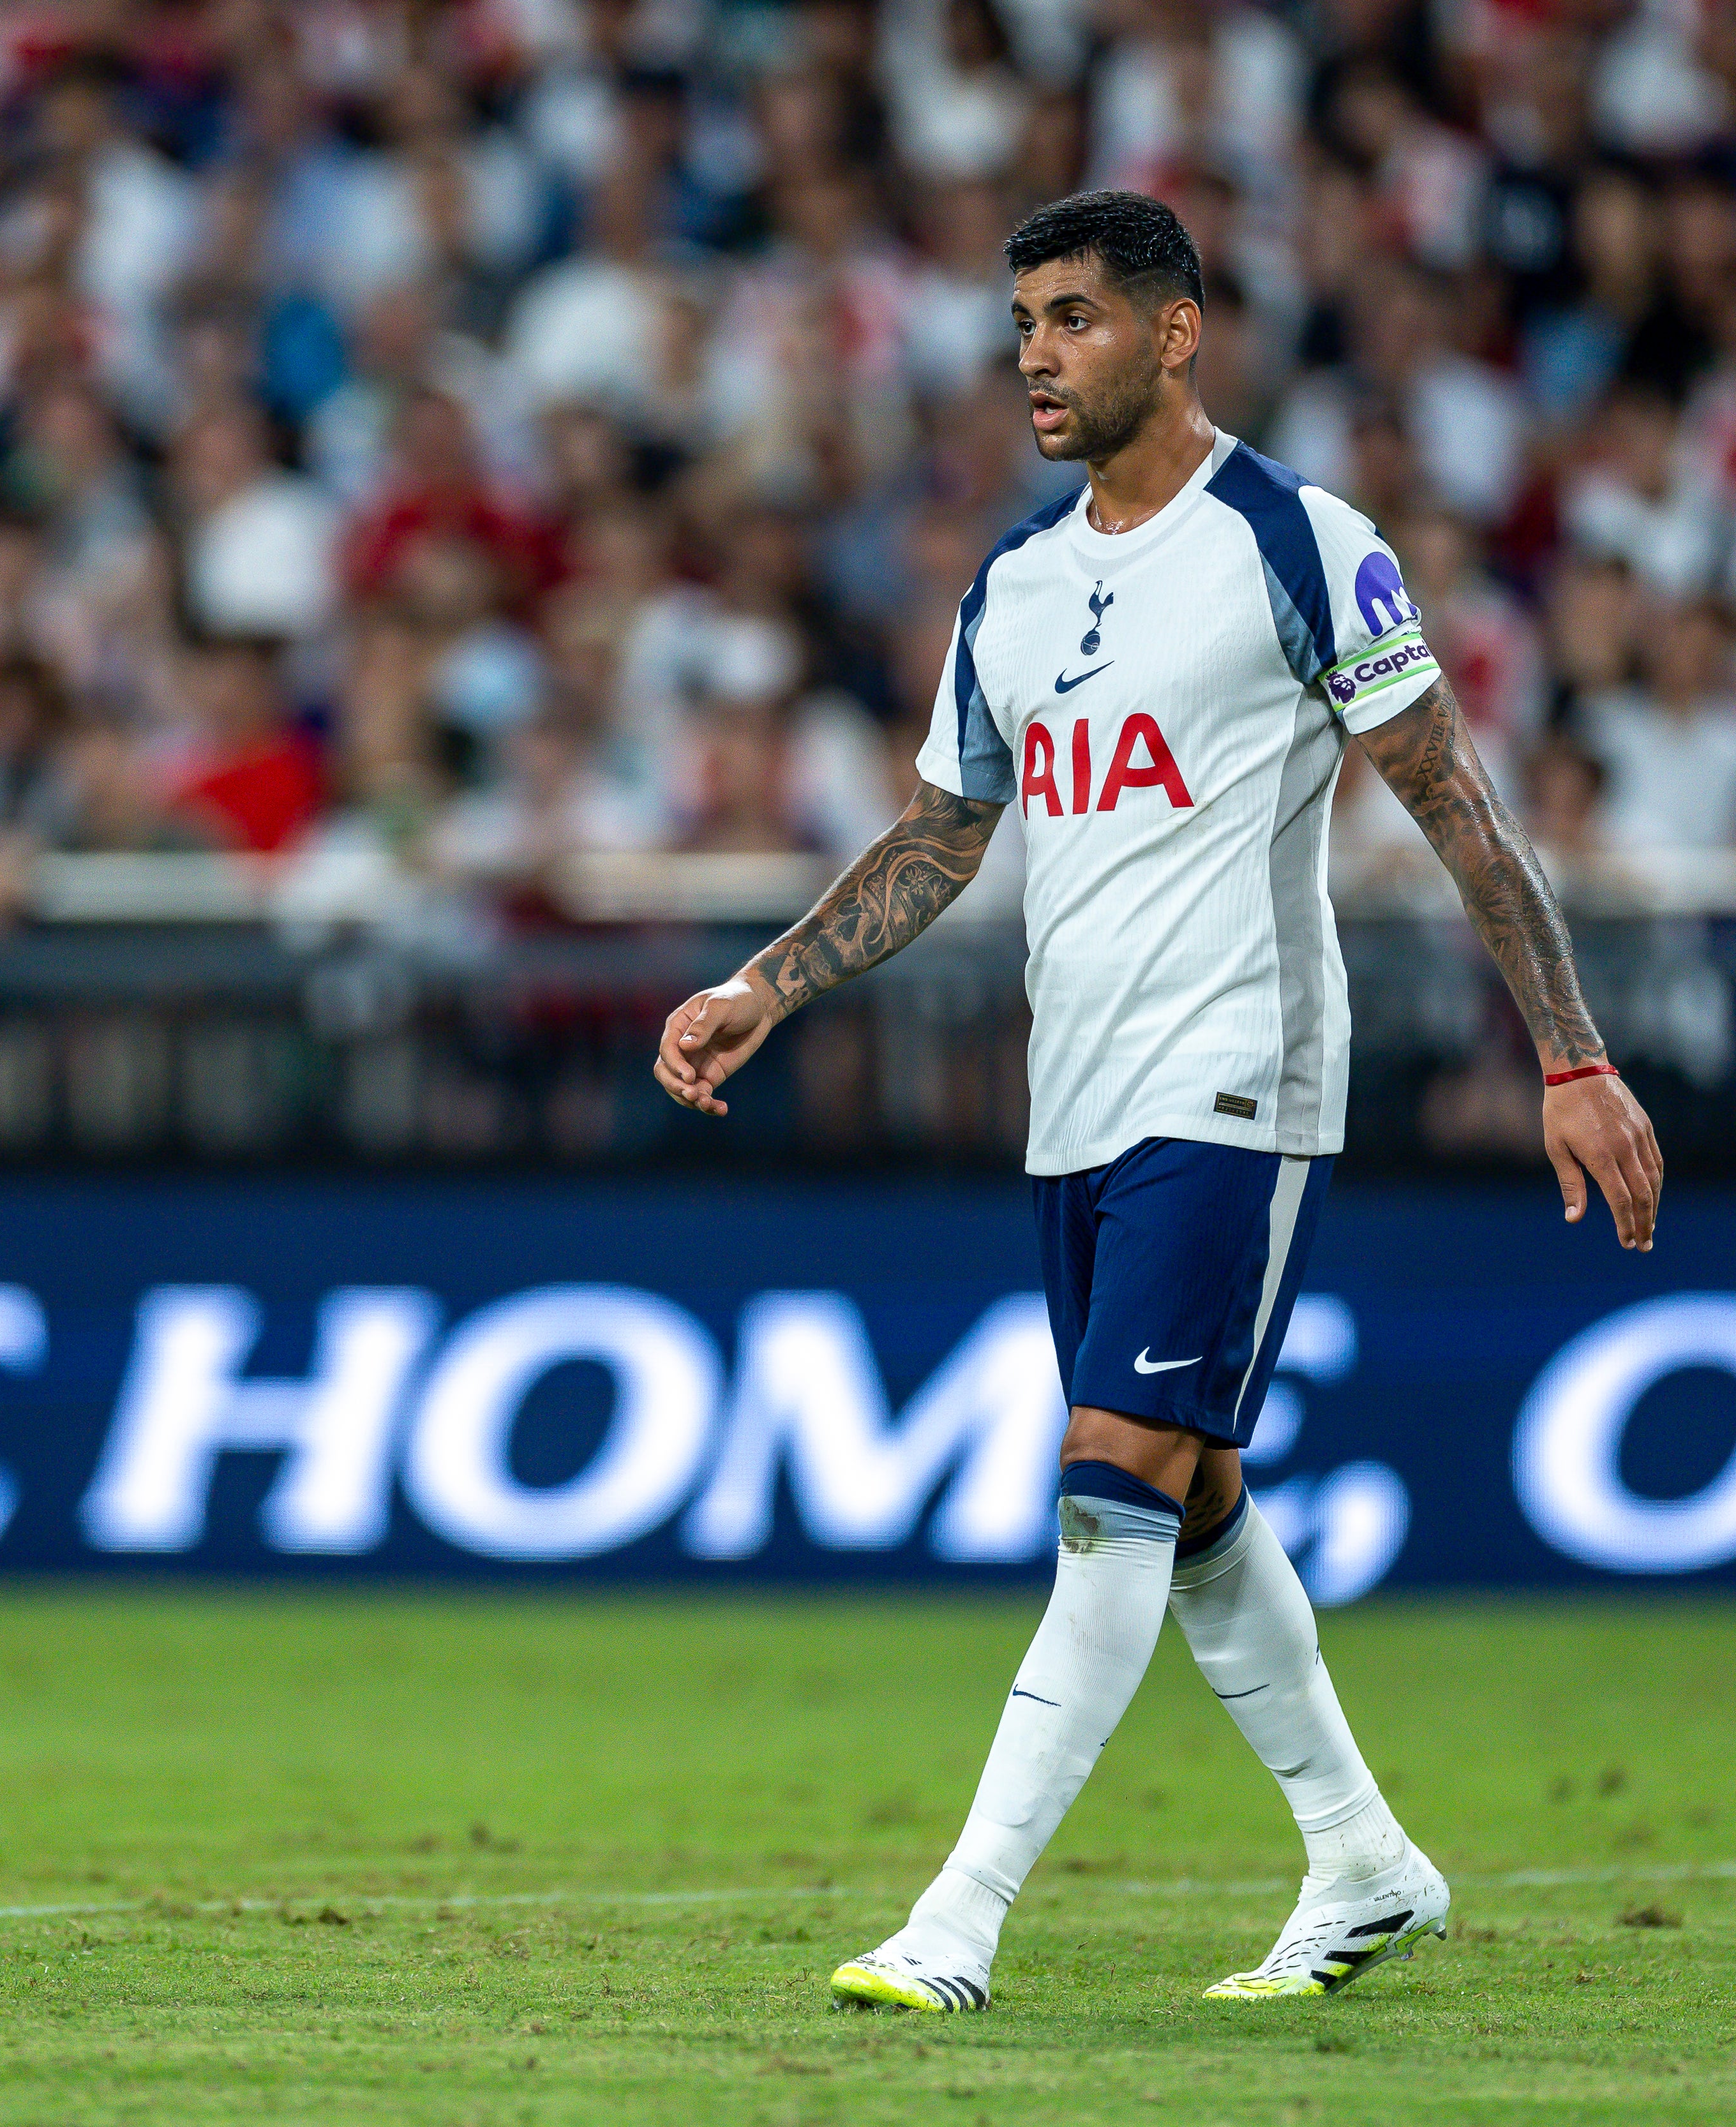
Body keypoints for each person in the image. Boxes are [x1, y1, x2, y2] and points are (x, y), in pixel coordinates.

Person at [651, 191, 1661, 2010]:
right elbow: (945, 832)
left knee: (1110, 1485)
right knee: (1188, 1500)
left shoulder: (1296, 538)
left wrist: (1570, 1054)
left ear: (1176, 332)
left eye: (1074, 317)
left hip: (1238, 1082)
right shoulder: (1018, 588)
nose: (1035, 352)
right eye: (1021, 321)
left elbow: (1451, 801)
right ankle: (1365, 1861)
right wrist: (764, 983)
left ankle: (956, 1924)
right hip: (1079, 1104)